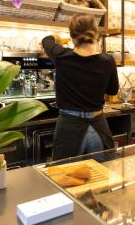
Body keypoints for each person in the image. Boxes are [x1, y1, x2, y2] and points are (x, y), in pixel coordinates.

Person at [42, 15, 119, 160]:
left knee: (66, 176)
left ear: (72, 36)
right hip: (98, 127)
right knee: (105, 175)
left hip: (69, 128)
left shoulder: (61, 56)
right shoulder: (107, 61)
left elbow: (47, 40)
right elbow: (112, 90)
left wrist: (58, 38)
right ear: (95, 34)